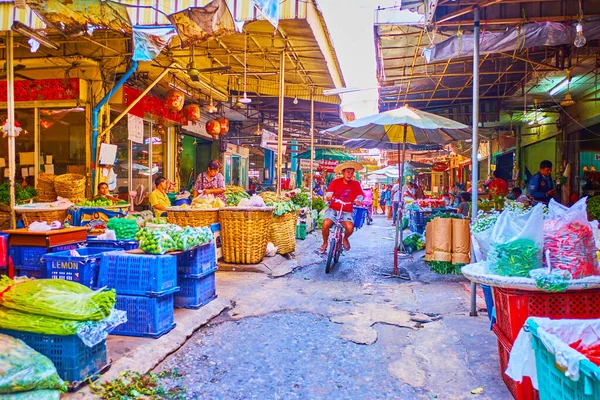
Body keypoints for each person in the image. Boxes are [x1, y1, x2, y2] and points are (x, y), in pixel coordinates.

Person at [317, 161, 365, 254]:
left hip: (347, 211)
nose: (349, 174)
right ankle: (325, 243)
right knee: (326, 223)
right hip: (333, 209)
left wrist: (359, 200)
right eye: (347, 172)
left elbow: (360, 195)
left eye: (351, 172)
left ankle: (345, 239)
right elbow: (329, 193)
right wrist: (329, 196)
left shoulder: (356, 184)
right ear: (343, 172)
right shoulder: (335, 182)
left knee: (350, 228)